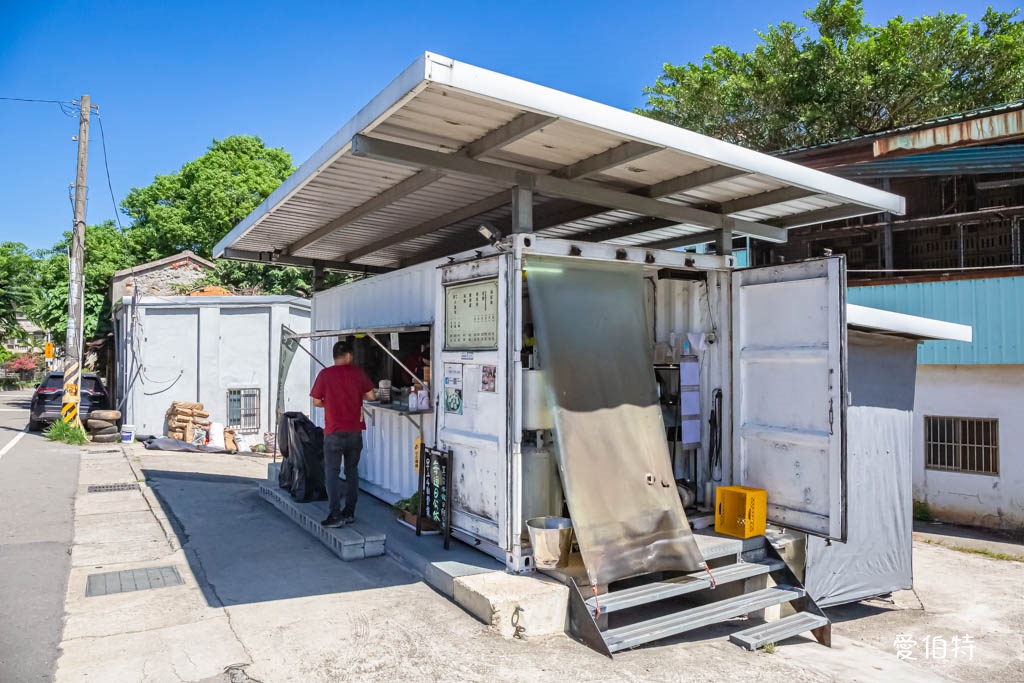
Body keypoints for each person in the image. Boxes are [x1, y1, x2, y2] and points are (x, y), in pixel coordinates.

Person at [310, 340, 376, 527]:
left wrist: (329, 401)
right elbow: (372, 396)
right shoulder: (358, 373)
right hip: (355, 430)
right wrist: (356, 396)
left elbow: (316, 401)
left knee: (331, 472)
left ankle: (335, 515)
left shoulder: (325, 374)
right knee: (351, 471)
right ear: (348, 356)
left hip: (333, 431)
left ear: (335, 356)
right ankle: (349, 512)